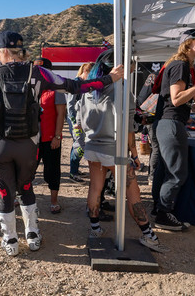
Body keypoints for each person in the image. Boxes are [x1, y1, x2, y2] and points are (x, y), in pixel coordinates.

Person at [0, 31, 123, 256]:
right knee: (26, 187)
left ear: (3, 52)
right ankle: (33, 233)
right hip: (28, 144)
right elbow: (76, 86)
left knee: (4, 191)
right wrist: (110, 79)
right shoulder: (38, 72)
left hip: (0, 144)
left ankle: (10, 239)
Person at [77, 49, 168, 252]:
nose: (133, 68)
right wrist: (135, 155)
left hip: (93, 146)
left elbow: (81, 121)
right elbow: (128, 130)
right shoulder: (121, 89)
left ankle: (95, 229)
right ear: (119, 66)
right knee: (133, 194)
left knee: (95, 188)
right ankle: (148, 235)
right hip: (113, 149)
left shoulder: (91, 88)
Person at [155, 29, 195, 231]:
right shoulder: (180, 65)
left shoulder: (178, 64)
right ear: (188, 43)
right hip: (171, 124)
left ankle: (161, 211)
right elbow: (176, 98)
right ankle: (164, 215)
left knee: (166, 171)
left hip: (168, 122)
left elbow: (178, 99)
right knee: (176, 174)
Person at [33, 57, 66, 214]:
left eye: (41, 70)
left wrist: (57, 136)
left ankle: (54, 200)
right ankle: (22, 198)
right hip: (31, 139)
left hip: (49, 138)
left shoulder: (56, 89)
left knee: (52, 170)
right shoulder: (30, 88)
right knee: (27, 170)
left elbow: (61, 115)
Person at [66, 62, 94, 183]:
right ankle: (73, 173)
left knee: (77, 144)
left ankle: (75, 170)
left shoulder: (84, 83)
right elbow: (70, 104)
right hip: (75, 119)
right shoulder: (76, 83)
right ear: (85, 72)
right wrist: (73, 121)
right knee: (79, 144)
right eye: (91, 74)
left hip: (81, 119)